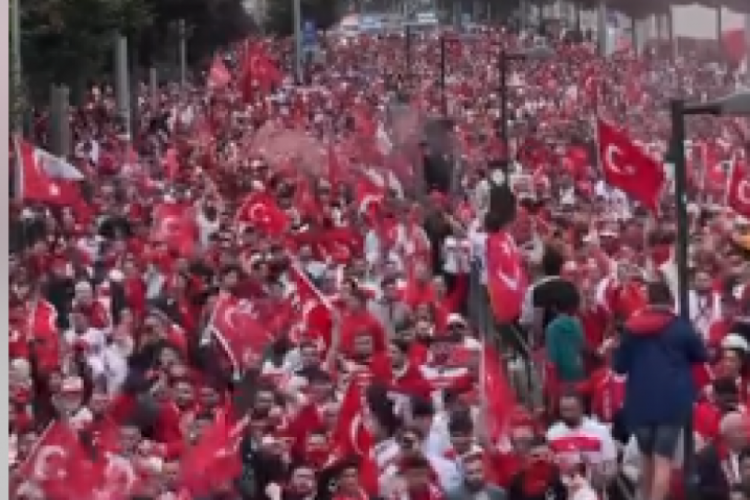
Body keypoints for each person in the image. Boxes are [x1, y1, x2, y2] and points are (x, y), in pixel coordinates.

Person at [614, 281, 709, 500]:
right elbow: (702, 355)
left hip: (640, 401)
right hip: (672, 401)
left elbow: (619, 366)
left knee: (646, 459)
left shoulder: (631, 328)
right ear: (670, 300)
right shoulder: (680, 327)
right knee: (663, 460)